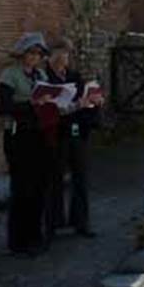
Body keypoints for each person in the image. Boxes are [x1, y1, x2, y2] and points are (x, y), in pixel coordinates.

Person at [0, 32, 50, 255]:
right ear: (22, 54)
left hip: (39, 136)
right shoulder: (10, 75)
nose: (34, 57)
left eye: (38, 54)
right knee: (21, 188)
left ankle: (35, 236)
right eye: (31, 53)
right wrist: (32, 103)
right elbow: (2, 107)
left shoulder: (42, 76)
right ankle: (18, 241)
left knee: (38, 187)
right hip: (18, 137)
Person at [44, 38, 101, 239]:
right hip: (56, 134)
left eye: (65, 55)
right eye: (58, 54)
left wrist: (94, 101)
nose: (62, 59)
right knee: (54, 180)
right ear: (49, 57)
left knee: (80, 179)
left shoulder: (75, 77)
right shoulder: (45, 79)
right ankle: (53, 224)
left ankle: (81, 223)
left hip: (77, 132)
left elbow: (86, 102)